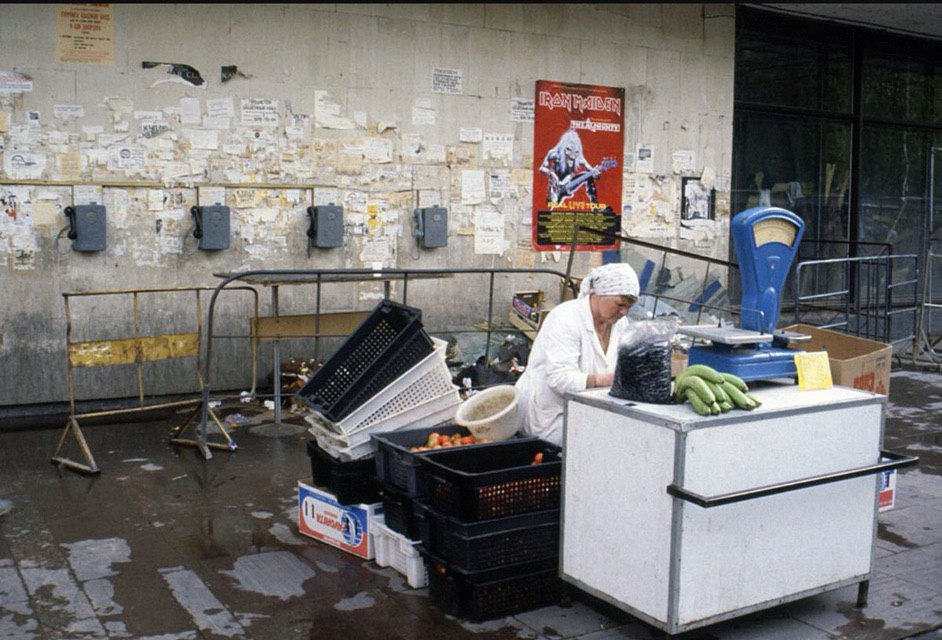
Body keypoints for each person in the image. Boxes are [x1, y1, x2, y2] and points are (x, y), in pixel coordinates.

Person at [515, 262, 640, 446]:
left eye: (629, 306)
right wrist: (606, 380)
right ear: (600, 293)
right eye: (620, 304)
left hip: (588, 410)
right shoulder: (565, 319)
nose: (624, 312)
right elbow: (560, 379)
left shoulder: (620, 324)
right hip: (550, 414)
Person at [539, 130, 601, 205]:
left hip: (568, 185)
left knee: (587, 175)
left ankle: (595, 207)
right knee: (549, 206)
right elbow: (542, 168)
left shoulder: (580, 158)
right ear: (564, 147)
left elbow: (592, 172)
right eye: (569, 150)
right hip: (555, 187)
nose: (572, 155)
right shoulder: (554, 154)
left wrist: (596, 174)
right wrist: (551, 174)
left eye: (575, 152)